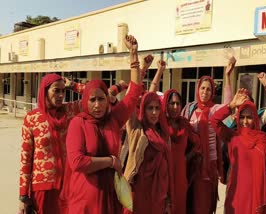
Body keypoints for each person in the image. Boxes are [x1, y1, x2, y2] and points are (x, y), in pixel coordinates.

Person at [63, 35, 142, 214]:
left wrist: (134, 55)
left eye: (101, 99)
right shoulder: (78, 123)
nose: (97, 105)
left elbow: (134, 92)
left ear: (108, 100)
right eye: (92, 99)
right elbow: (77, 162)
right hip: (84, 201)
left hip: (109, 197)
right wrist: (110, 161)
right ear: (85, 101)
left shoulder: (113, 119)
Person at [18, 74, 84, 214]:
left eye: (63, 91)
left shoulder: (70, 111)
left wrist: (73, 85)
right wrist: (23, 195)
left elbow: (95, 94)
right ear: (45, 91)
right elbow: (26, 158)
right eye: (56, 90)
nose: (61, 95)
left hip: (69, 187)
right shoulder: (32, 118)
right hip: (43, 190)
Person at [180, 57, 235, 214]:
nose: (205, 92)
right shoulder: (189, 109)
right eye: (202, 88)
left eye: (208, 89)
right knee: (188, 203)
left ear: (212, 92)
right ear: (197, 89)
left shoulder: (214, 109)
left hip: (207, 166)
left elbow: (228, 105)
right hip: (190, 163)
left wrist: (227, 77)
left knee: (203, 206)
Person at [211, 89, 266, 214]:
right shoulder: (233, 137)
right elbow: (214, 120)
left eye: (249, 117)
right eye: (242, 117)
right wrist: (231, 105)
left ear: (255, 118)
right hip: (237, 196)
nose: (245, 121)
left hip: (257, 198)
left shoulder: (264, 141)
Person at [123, 92, 173, 214]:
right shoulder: (137, 130)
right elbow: (129, 104)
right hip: (139, 192)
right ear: (143, 109)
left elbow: (167, 170)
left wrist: (167, 200)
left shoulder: (163, 135)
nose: (154, 112)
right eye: (150, 108)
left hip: (158, 194)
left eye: (157, 108)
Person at [162, 89, 200, 214]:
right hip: (163, 174)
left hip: (180, 175)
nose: (175, 107)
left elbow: (197, 143)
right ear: (165, 104)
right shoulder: (160, 124)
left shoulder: (184, 123)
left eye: (178, 103)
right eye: (172, 103)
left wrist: (187, 157)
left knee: (179, 207)